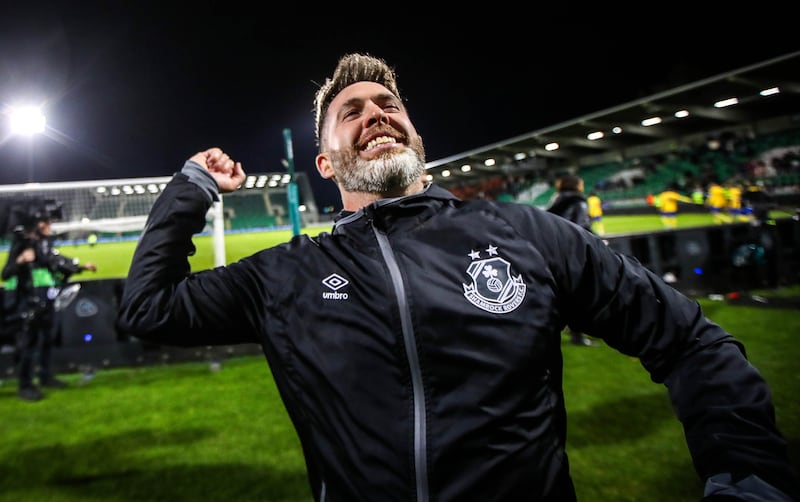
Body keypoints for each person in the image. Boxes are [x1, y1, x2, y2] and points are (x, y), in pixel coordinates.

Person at [117, 53, 799, 501]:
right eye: (348, 112)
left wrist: (747, 474)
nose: (374, 113)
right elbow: (148, 308)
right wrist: (194, 188)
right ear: (325, 164)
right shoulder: (286, 276)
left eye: (387, 104)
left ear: (416, 141)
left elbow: (688, 340)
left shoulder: (530, 235)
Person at [2, 203, 97, 401]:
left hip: (44, 299)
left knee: (46, 338)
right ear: (37, 224)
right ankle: (25, 385)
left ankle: (45, 376)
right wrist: (20, 261)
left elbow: (54, 261)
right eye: (47, 222)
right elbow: (6, 273)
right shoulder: (22, 243)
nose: (50, 226)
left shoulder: (43, 243)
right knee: (28, 342)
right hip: (27, 300)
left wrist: (80, 267)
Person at [547, 174, 596, 346]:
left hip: (554, 252)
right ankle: (578, 334)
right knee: (579, 295)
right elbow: (582, 228)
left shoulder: (555, 201)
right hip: (573, 254)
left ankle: (561, 328)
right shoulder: (578, 201)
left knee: (561, 294)